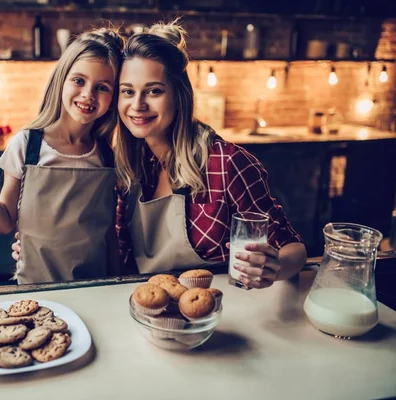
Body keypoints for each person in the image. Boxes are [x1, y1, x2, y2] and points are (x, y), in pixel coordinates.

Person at [114, 21, 307, 289]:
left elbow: (293, 248)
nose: (137, 105)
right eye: (127, 91)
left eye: (154, 91)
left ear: (179, 96)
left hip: (221, 310)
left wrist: (273, 268)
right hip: (147, 310)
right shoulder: (128, 167)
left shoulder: (227, 163)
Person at [0, 27, 124, 284]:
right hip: (37, 285)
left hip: (96, 284)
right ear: (61, 80)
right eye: (79, 81)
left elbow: (109, 234)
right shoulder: (27, 144)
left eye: (102, 87)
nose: (88, 94)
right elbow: (5, 222)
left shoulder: (107, 155)